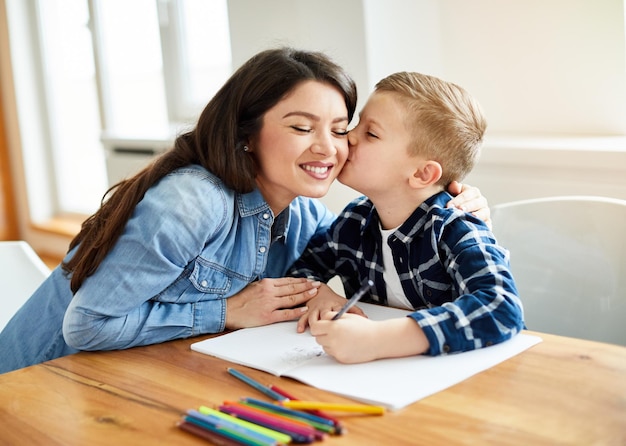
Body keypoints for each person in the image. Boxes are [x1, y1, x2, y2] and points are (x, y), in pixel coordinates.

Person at [0, 48, 489, 374]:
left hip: (144, 377)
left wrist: (448, 205)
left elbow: (375, 249)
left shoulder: (302, 218)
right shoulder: (192, 201)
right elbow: (86, 326)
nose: (329, 147)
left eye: (341, 129)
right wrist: (226, 311)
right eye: (302, 127)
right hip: (37, 387)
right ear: (245, 134)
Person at [289, 71, 523, 364]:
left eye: (371, 133)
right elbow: (302, 267)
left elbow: (502, 307)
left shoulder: (454, 226)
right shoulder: (355, 220)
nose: (349, 136)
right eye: (357, 124)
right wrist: (318, 292)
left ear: (422, 173)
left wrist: (377, 340)